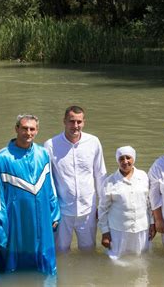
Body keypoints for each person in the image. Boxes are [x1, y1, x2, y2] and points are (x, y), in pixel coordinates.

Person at [0, 114, 60, 276]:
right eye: (24, 128)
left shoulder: (43, 154)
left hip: (41, 219)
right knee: (13, 268)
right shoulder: (2, 158)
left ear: (37, 131)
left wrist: (55, 213)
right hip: (16, 220)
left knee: (46, 268)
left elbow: (51, 186)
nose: (28, 133)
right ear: (16, 129)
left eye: (32, 129)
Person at [44, 106, 107, 252]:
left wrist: (103, 206)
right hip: (62, 210)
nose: (75, 126)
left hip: (88, 210)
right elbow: (48, 180)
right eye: (72, 121)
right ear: (64, 121)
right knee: (60, 251)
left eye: (79, 122)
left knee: (88, 252)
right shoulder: (51, 145)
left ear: (84, 122)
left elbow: (100, 174)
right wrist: (51, 209)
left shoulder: (93, 142)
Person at [98, 146, 156, 260]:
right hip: (118, 231)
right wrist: (105, 232)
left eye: (128, 158)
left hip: (141, 228)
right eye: (121, 159)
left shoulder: (143, 176)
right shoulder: (110, 182)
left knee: (141, 259)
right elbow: (102, 209)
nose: (125, 162)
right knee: (117, 260)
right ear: (117, 161)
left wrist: (152, 223)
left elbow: (149, 203)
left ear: (133, 158)